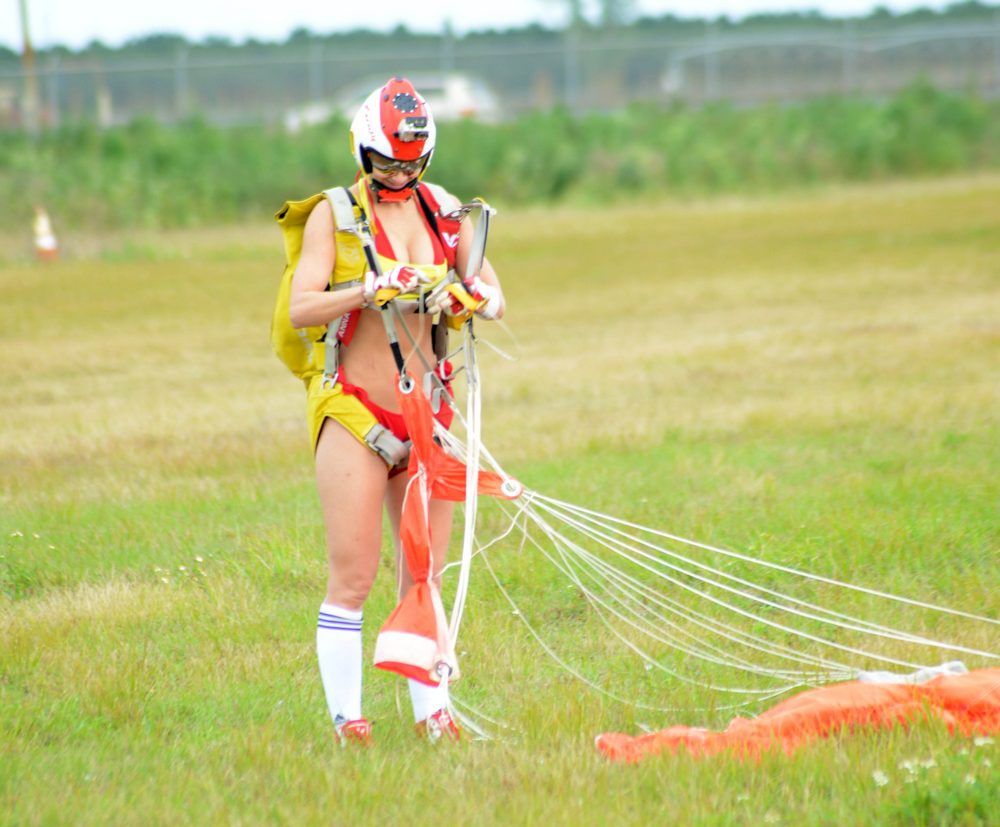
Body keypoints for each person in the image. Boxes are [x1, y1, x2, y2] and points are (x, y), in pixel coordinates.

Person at [287, 77, 505, 745]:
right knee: (353, 572)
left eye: (412, 163)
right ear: (363, 151)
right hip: (358, 416)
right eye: (388, 164)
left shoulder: (443, 208)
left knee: (426, 574)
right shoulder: (336, 214)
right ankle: (347, 720)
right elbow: (302, 309)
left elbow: (493, 296)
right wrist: (367, 290)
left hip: (428, 418)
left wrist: (461, 298)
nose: (400, 175)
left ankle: (433, 716)